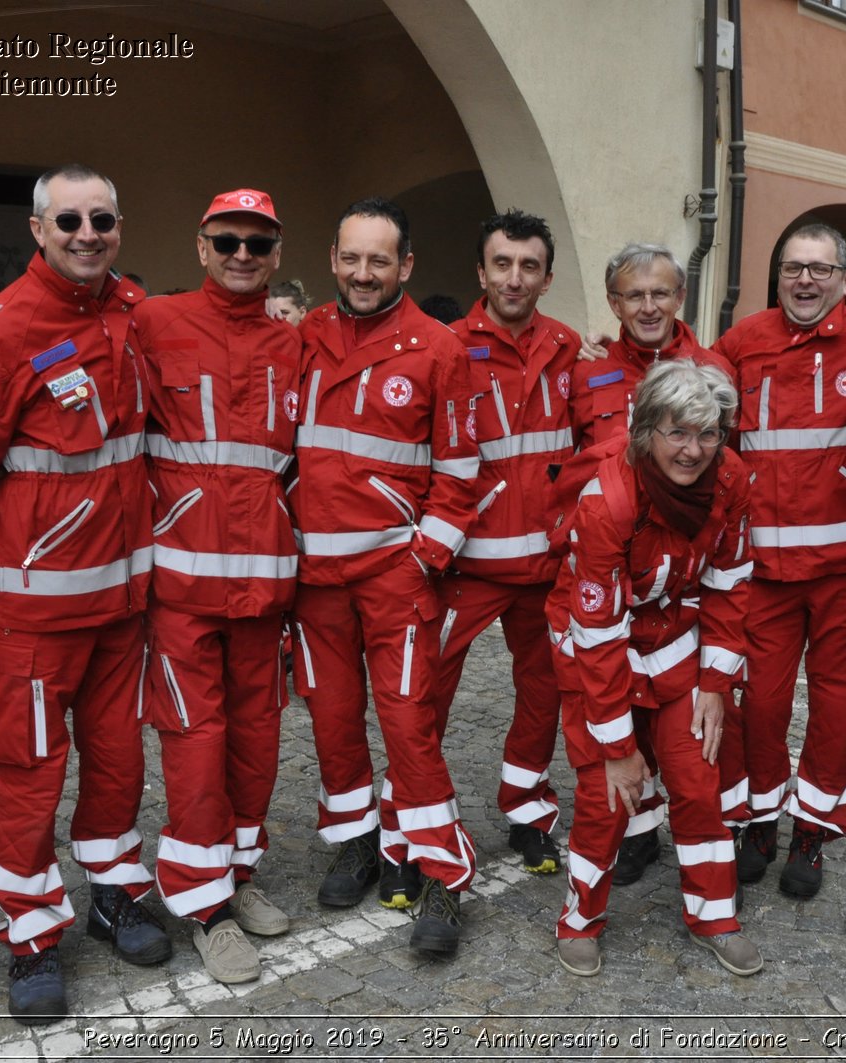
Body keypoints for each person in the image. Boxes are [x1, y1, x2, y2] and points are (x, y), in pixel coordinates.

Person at [0, 164, 167, 1025]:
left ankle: (114, 893)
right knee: (29, 774)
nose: (86, 232)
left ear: (118, 225)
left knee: (116, 761)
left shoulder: (135, 315)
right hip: (33, 613)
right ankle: (29, 934)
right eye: (68, 219)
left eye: (102, 218)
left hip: (122, 606)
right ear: (37, 228)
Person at [288, 197, 479, 954]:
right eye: (351, 258)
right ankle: (359, 840)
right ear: (333, 260)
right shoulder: (302, 338)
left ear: (404, 267)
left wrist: (423, 557)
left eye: (380, 260)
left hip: (393, 576)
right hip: (314, 578)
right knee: (333, 724)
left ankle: (440, 871)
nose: (364, 273)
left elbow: (461, 471)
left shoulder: (439, 348)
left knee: (409, 726)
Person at [137, 189, 302, 984]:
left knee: (258, 743)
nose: (243, 254)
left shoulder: (293, 342)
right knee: (195, 747)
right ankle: (202, 906)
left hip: (264, 592)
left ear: (276, 255)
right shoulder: (153, 324)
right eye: (228, 240)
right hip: (180, 588)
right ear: (202, 245)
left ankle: (236, 874)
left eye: (258, 243)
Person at [548, 357, 759, 978]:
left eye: (709, 433)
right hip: (595, 647)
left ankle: (714, 915)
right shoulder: (607, 501)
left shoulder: (733, 480)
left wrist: (717, 684)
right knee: (607, 795)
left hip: (673, 639)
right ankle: (579, 920)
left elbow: (729, 581)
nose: (694, 451)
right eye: (678, 433)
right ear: (646, 433)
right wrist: (617, 744)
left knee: (698, 780)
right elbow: (599, 635)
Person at [567, 243, 739, 885]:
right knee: (605, 733)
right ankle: (632, 832)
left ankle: (715, 871)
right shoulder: (583, 370)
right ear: (614, 304)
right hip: (603, 571)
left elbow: (721, 480)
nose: (648, 306)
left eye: (660, 293)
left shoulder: (714, 369)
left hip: (676, 595)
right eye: (633, 295)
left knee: (695, 749)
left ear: (680, 298)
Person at [715, 223, 846, 899]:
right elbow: (690, 371)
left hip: (843, 571)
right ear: (776, 276)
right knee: (762, 707)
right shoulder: (744, 340)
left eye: (819, 268)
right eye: (792, 269)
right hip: (766, 573)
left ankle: (812, 826)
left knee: (838, 709)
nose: (805, 281)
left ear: (844, 279)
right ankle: (758, 816)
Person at [431, 210, 579, 873]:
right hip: (468, 562)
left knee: (543, 694)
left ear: (547, 277)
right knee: (424, 694)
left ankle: (526, 806)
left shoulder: (574, 351)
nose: (514, 278)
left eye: (528, 266)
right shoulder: (447, 347)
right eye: (502, 264)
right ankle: (410, 814)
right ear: (481, 272)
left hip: (547, 564)